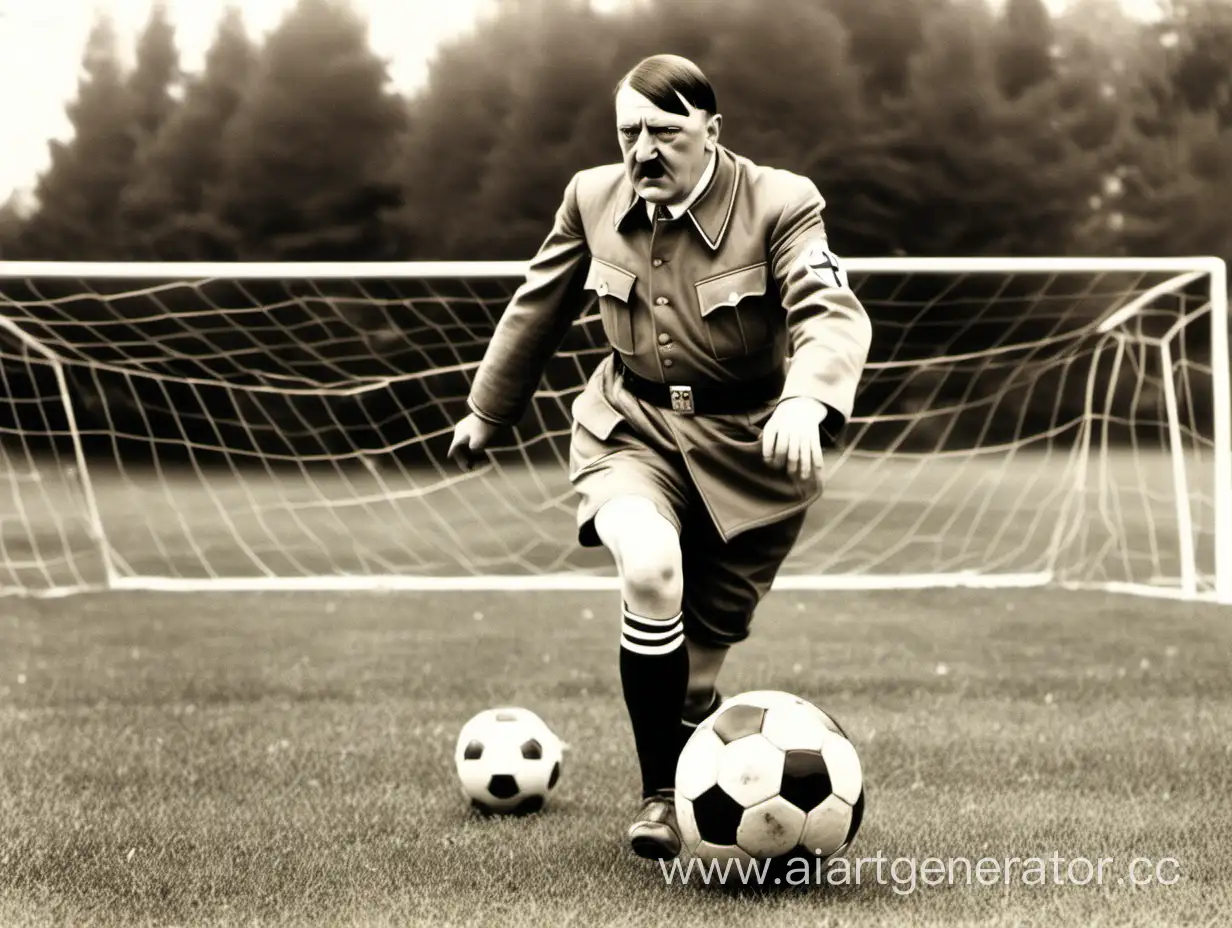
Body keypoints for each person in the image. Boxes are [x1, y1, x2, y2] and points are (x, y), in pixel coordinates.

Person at [448, 53, 872, 860]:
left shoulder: (783, 202)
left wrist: (808, 398)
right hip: (629, 429)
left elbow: (830, 311)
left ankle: (692, 783)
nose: (644, 151)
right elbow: (537, 305)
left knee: (702, 666)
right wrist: (485, 410)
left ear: (712, 131)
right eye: (629, 132)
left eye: (666, 132)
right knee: (647, 567)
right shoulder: (591, 196)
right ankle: (656, 800)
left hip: (756, 454)